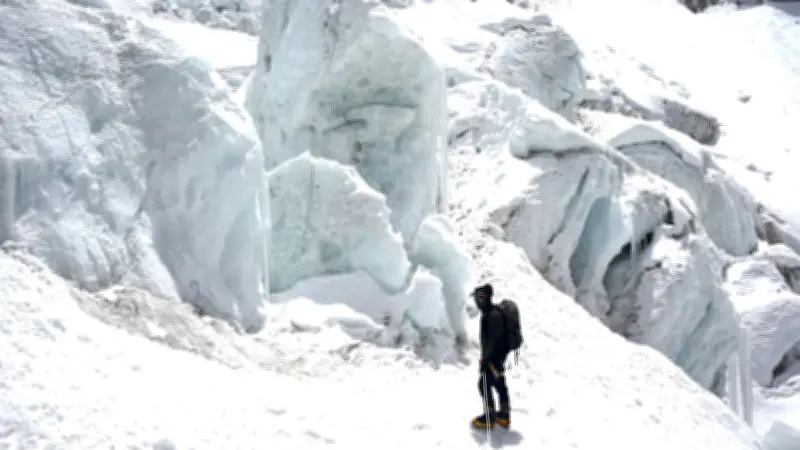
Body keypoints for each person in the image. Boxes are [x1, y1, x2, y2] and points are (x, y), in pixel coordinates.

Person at [470, 283, 511, 430]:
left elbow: (492, 340)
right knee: (500, 384)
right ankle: (504, 416)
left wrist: (485, 359)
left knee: (484, 384)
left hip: (493, 358)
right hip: (499, 357)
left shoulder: (491, 315)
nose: (476, 301)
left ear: (482, 299)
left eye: (477, 298)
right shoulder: (493, 313)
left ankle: (489, 417)